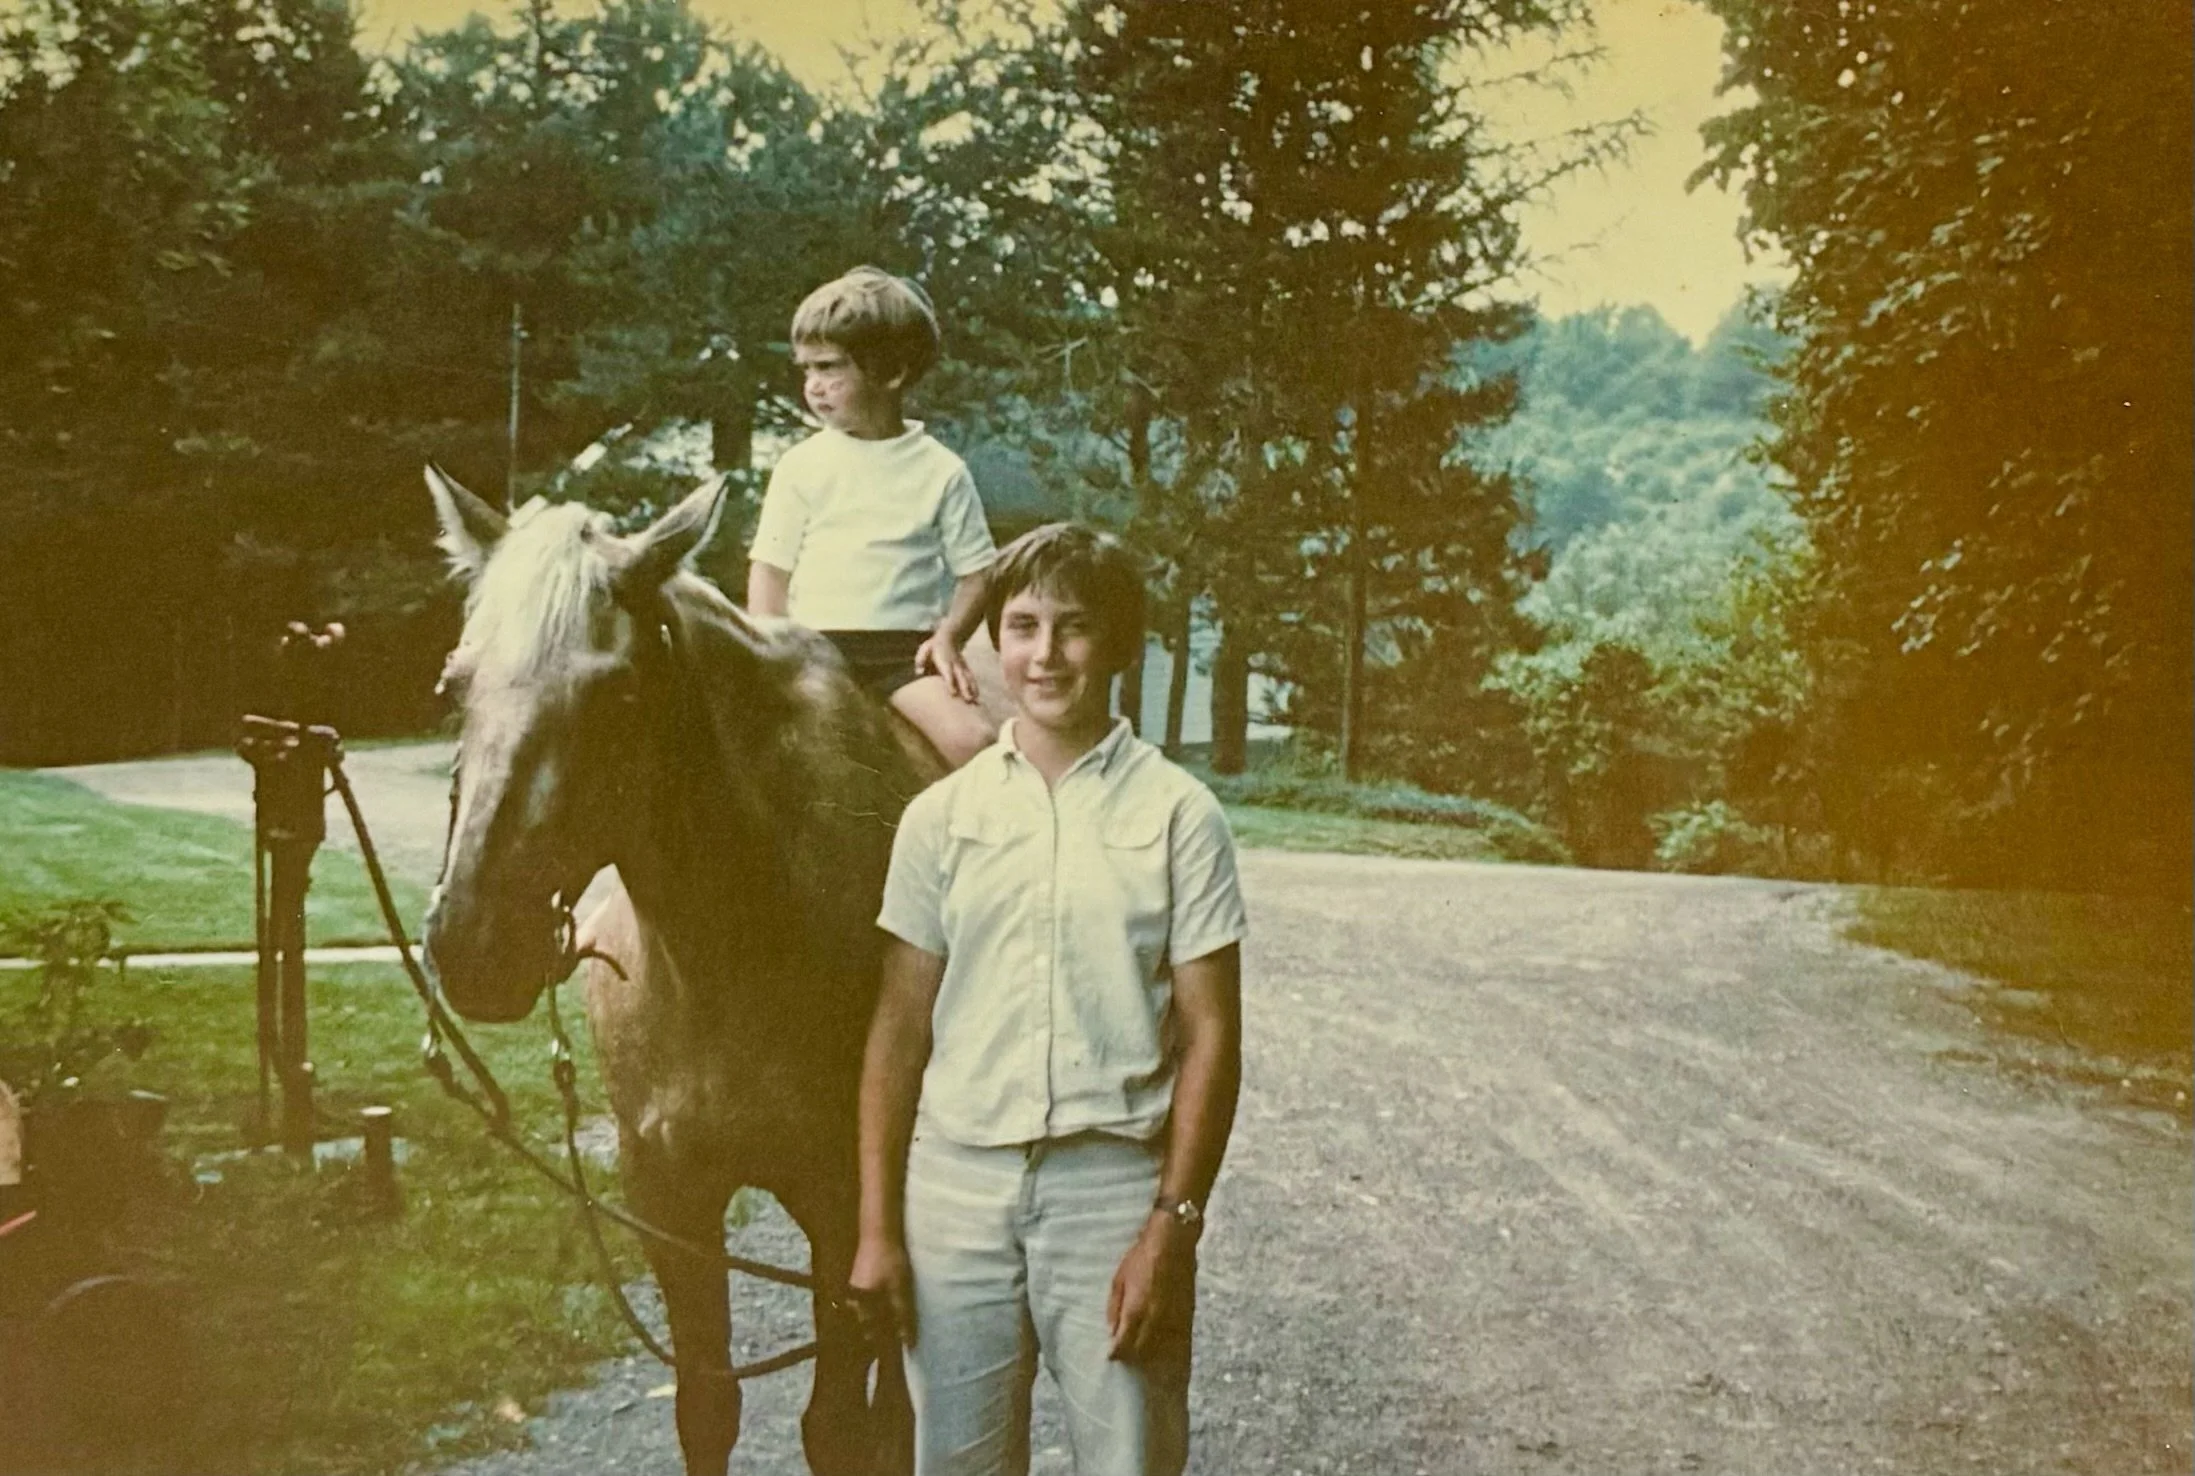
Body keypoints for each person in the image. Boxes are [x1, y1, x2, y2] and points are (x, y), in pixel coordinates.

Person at [850, 523, 1248, 1476]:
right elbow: (898, 1030)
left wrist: (1170, 1226)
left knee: (1129, 1461)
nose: (1045, 654)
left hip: (1109, 1192)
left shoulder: (1178, 815)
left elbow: (1211, 1037)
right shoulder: (941, 816)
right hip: (956, 1191)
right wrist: (876, 1230)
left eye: (1074, 627)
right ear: (993, 644)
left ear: (1117, 644)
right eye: (1022, 627)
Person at [746, 265, 998, 767]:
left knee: (976, 742)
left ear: (891, 372)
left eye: (829, 367)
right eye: (806, 370)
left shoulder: (941, 471)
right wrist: (769, 654)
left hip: (902, 655)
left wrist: (949, 637)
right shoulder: (801, 465)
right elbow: (770, 571)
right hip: (813, 651)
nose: (814, 387)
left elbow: (979, 574)